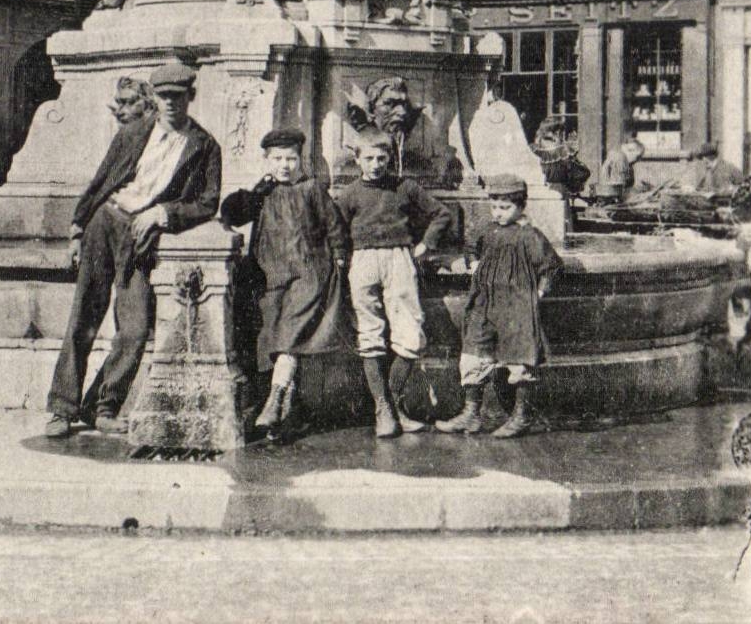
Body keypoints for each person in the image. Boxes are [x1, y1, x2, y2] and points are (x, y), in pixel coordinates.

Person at [44, 61, 221, 440]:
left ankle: (101, 406)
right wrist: (77, 228)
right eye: (164, 96)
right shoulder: (134, 132)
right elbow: (102, 179)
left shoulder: (204, 146)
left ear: (191, 96)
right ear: (155, 99)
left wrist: (164, 213)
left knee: (136, 328)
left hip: (141, 235)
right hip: (106, 222)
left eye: (178, 96)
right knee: (84, 317)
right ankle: (62, 407)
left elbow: (208, 203)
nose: (171, 103)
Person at [220, 127, 351, 440]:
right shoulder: (263, 191)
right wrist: (247, 197)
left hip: (308, 274)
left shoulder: (311, 189)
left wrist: (342, 258)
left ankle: (275, 399)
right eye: (277, 158)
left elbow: (334, 227)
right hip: (270, 277)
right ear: (266, 160)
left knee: (289, 337)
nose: (285, 165)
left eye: (291, 158)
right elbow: (233, 215)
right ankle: (284, 411)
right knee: (275, 342)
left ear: (300, 159)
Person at [333, 131, 457, 438]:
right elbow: (335, 230)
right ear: (357, 159)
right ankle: (384, 410)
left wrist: (425, 245)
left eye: (381, 158)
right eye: (369, 159)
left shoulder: (405, 187)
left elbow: (442, 213)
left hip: (399, 260)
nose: (375, 165)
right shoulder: (349, 194)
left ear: (390, 158)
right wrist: (342, 258)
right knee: (370, 334)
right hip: (362, 262)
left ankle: (393, 404)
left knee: (411, 334)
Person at [436, 173, 563, 440]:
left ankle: (521, 416)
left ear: (521, 206)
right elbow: (471, 247)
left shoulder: (529, 235)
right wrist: (472, 262)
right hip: (485, 301)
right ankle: (471, 413)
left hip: (516, 305)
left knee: (520, 357)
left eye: (505, 208)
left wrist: (540, 291)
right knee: (475, 351)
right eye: (494, 207)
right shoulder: (487, 230)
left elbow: (551, 265)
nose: (498, 213)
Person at [678, 143, 745, 198]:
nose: (702, 161)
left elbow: (742, 185)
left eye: (702, 158)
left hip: (725, 205)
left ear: (706, 158)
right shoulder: (709, 169)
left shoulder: (728, 168)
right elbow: (704, 187)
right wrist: (693, 189)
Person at [594, 134, 646, 201]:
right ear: (630, 151)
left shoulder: (626, 162)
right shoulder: (620, 158)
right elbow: (619, 189)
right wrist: (638, 191)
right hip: (612, 200)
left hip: (613, 197)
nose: (638, 160)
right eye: (638, 157)